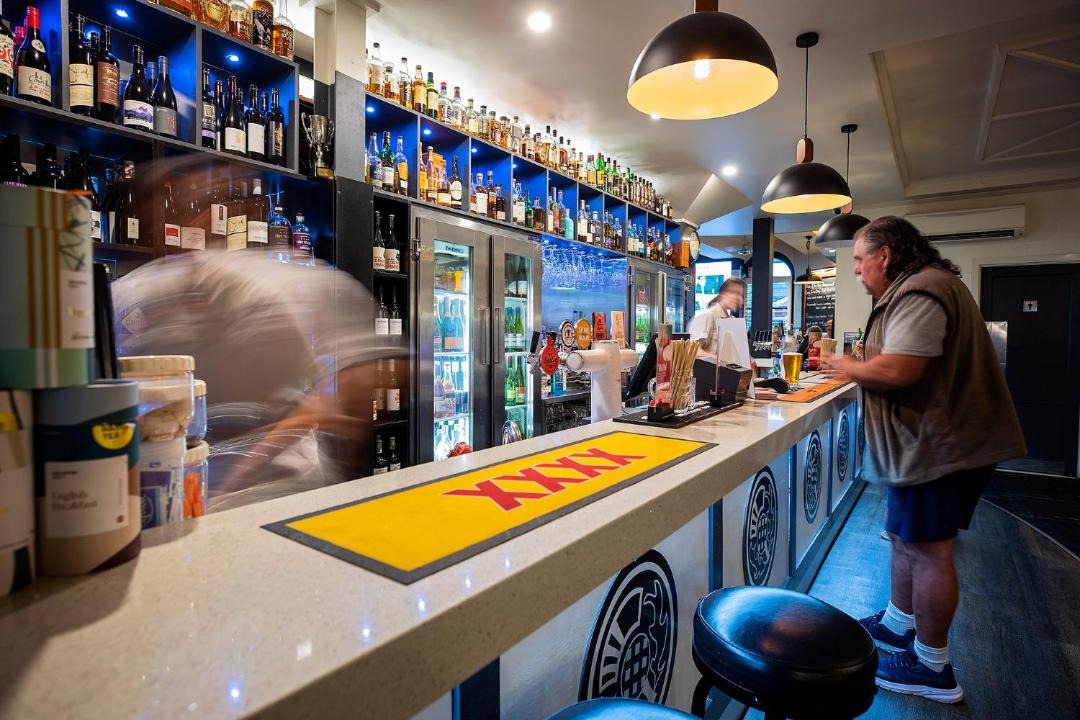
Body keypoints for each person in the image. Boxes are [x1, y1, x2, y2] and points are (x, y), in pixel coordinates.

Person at [822, 216, 1025, 704]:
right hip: (925, 448)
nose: (856, 269)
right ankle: (898, 623)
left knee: (928, 550)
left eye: (859, 259)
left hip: (938, 448)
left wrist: (844, 365)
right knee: (903, 536)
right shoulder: (921, 286)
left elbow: (900, 368)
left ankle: (932, 666)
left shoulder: (920, 291)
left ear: (885, 255)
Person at [689, 276, 746, 359]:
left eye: (741, 296)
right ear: (723, 294)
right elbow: (694, 351)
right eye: (735, 293)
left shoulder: (731, 320)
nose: (740, 299)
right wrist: (720, 360)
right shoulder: (707, 316)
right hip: (709, 367)